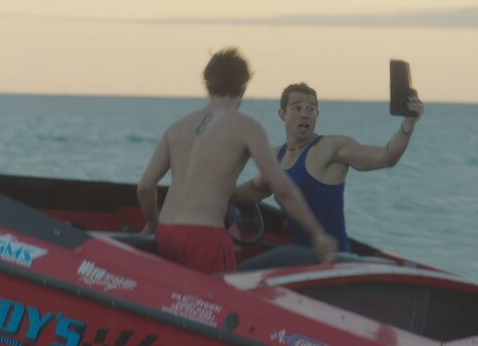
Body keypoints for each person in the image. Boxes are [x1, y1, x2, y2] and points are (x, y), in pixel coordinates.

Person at [136, 48, 337, 274]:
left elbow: (145, 186)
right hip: (204, 235)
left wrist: (152, 223)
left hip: (166, 232)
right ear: (243, 86)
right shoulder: (246, 127)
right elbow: (282, 188)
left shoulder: (177, 128)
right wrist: (318, 233)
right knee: (217, 295)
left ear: (207, 83)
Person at [232, 82, 424, 256]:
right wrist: (219, 198)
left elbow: (388, 156)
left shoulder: (331, 148)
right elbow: (253, 190)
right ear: (282, 115)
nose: (305, 114)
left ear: (317, 114)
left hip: (335, 261)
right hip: (300, 259)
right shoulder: (275, 157)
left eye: (311, 109)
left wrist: (408, 122)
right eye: (297, 108)